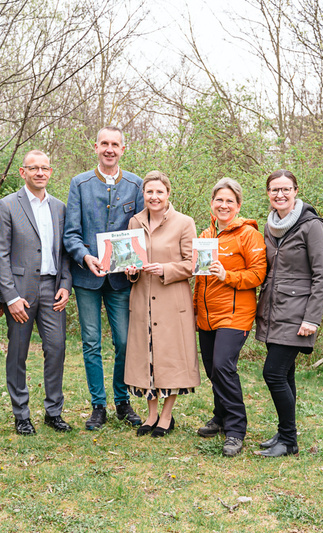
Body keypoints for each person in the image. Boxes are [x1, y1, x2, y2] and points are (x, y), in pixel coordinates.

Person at [63, 126, 144, 429]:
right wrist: (85, 256)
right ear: (95, 147)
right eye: (104, 144)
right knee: (92, 342)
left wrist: (136, 261)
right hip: (88, 277)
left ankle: (122, 400)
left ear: (124, 149)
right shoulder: (80, 184)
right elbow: (70, 233)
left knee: (124, 342)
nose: (110, 149)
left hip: (121, 280)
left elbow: (140, 232)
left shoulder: (136, 185)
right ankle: (98, 405)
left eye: (115, 145)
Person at [0, 150, 73, 435]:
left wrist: (66, 284)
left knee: (57, 348)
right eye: (33, 168)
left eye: (44, 168)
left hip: (53, 288)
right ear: (22, 172)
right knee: (18, 353)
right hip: (21, 293)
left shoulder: (60, 207)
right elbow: (0, 255)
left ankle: (53, 411)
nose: (40, 173)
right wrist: (10, 297)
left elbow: (65, 251)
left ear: (51, 172)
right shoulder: (6, 206)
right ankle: (21, 414)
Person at [255, 170, 323, 457]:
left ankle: (289, 440)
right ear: (268, 194)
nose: (280, 195)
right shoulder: (270, 226)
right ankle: (286, 434)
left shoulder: (312, 226)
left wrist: (312, 318)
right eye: (274, 190)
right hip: (273, 311)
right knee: (286, 375)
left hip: (298, 314)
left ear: (296, 191)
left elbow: (321, 276)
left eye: (286, 189)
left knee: (272, 373)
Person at [193, 178, 266, 457]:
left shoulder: (248, 235)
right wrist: (196, 310)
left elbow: (259, 274)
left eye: (229, 201)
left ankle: (236, 430)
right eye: (219, 200)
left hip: (235, 315)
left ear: (238, 206)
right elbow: (201, 279)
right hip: (207, 315)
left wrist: (228, 276)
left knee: (224, 366)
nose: (223, 205)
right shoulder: (205, 234)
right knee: (213, 369)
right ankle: (220, 417)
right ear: (212, 203)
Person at [124, 171, 199, 437]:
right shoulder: (134, 222)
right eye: (149, 192)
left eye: (159, 192)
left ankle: (167, 417)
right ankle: (151, 414)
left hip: (171, 301)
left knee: (169, 358)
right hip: (142, 299)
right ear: (143, 194)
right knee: (148, 358)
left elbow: (193, 264)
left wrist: (165, 268)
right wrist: (130, 270)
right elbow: (129, 263)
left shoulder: (184, 223)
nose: (154, 197)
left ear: (168, 194)